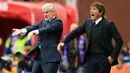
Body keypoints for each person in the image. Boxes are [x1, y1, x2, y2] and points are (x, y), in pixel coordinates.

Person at [57, 2, 123, 73]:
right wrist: (64, 42)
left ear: (101, 12)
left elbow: (119, 41)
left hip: (104, 59)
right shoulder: (88, 23)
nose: (91, 11)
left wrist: (112, 57)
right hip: (90, 58)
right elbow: (75, 32)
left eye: (94, 9)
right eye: (91, 9)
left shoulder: (108, 25)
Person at [12, 3, 63, 73]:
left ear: (53, 12)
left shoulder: (58, 22)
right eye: (43, 12)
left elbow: (47, 29)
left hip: (50, 58)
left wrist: (34, 32)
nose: (45, 14)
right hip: (39, 57)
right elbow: (33, 27)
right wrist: (22, 30)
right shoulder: (42, 22)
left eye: (47, 12)